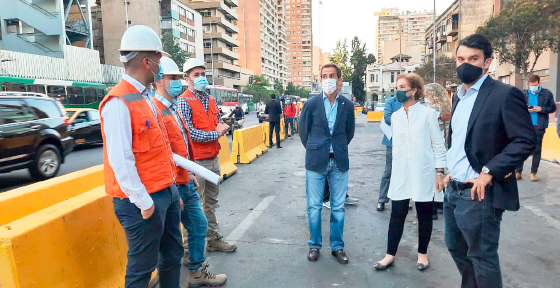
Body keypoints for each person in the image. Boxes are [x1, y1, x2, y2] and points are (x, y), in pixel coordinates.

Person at [444, 34, 536, 288]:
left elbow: (525, 140)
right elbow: (461, 140)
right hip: (454, 190)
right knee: (454, 247)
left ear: (487, 62)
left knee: (482, 257)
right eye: (461, 58)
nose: (466, 64)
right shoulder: (458, 96)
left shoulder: (505, 94)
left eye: (473, 59)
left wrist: (489, 171)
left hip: (479, 193)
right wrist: (452, 170)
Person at [99, 25, 183, 288]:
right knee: (142, 269)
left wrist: (172, 192)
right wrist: (145, 203)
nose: (160, 65)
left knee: (172, 255)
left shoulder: (146, 98)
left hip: (164, 192)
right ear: (147, 62)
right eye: (158, 60)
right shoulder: (118, 102)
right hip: (141, 201)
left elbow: (161, 148)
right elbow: (121, 160)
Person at [151, 57, 227, 286]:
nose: (177, 83)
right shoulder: (159, 109)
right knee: (173, 241)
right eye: (172, 78)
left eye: (177, 78)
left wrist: (189, 173)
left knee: (199, 222)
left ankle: (196, 269)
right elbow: (164, 150)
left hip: (188, 174)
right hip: (174, 181)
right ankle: (191, 266)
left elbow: (181, 144)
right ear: (159, 81)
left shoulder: (173, 107)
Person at [373, 73, 446, 272]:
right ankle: (390, 254)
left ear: (414, 90)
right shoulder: (395, 117)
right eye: (397, 86)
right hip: (401, 172)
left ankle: (422, 253)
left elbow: (438, 145)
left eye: (402, 86)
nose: (398, 91)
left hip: (423, 171)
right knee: (397, 213)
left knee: (424, 213)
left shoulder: (428, 114)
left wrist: (439, 171)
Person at [177, 58, 237, 253]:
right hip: (196, 163)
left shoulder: (210, 99)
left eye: (203, 74)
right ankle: (188, 249)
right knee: (193, 208)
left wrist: (221, 128)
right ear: (187, 79)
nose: (201, 78)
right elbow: (191, 133)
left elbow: (218, 122)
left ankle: (212, 239)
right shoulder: (184, 101)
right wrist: (215, 133)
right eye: (196, 75)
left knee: (210, 203)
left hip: (213, 159)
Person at [299, 63, 355, 264]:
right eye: (324, 76)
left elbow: (349, 133)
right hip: (315, 162)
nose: (328, 79)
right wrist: (317, 148)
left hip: (339, 162)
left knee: (338, 207)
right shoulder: (311, 104)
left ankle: (337, 247)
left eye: (332, 75)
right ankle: (314, 245)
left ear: (339, 80)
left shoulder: (347, 106)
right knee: (314, 206)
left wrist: (336, 148)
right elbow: (303, 133)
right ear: (320, 80)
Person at [515, 75, 556, 181]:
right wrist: (526, 109)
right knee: (521, 147)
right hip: (525, 125)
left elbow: (553, 108)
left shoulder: (547, 94)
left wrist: (541, 109)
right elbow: (516, 107)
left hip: (539, 125)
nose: (533, 87)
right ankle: (518, 171)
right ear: (528, 84)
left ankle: (533, 173)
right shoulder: (523, 94)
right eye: (531, 85)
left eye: (535, 85)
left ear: (539, 83)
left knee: (537, 149)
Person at [424, 83, 452, 219]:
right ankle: (442, 205)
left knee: (435, 174)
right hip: (445, 142)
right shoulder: (447, 106)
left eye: (426, 92)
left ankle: (433, 209)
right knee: (444, 172)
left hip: (435, 144)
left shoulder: (433, 108)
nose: (424, 95)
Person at [377, 96, 402, 212]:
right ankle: (382, 199)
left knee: (405, 171)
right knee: (389, 170)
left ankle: (403, 198)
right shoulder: (391, 101)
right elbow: (387, 119)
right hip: (392, 141)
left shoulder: (412, 100)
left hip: (409, 141)